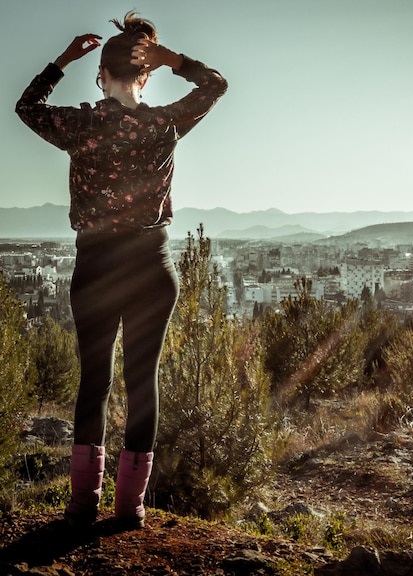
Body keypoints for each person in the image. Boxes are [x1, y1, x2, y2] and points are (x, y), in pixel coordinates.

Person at [16, 11, 228, 528]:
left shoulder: (81, 126)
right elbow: (216, 84)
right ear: (144, 75)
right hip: (152, 269)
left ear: (101, 76)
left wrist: (61, 61)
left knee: (94, 381)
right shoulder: (165, 124)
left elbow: (27, 107)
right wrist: (174, 59)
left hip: (95, 267)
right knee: (142, 383)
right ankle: (129, 507)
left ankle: (82, 502)